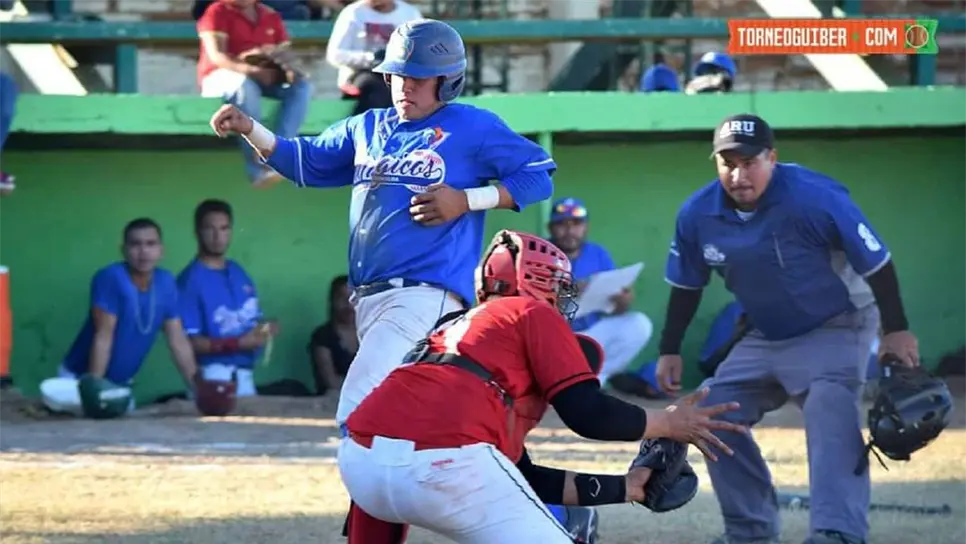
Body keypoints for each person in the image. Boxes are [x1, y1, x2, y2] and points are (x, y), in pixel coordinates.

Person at [209, 18, 556, 540]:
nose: (404, 86)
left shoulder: (473, 127)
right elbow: (304, 162)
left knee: (359, 418)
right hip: (371, 303)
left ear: (449, 81)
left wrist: (468, 199)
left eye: (418, 78)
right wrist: (249, 128)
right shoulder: (368, 126)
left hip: (426, 299)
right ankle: (552, 509)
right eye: (396, 76)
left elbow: (539, 173)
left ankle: (385, 524)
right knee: (413, 432)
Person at [339, 230, 747, 542]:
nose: (564, 301)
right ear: (541, 283)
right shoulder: (531, 310)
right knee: (571, 527)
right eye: (561, 290)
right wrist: (668, 423)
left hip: (359, 465)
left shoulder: (450, 333)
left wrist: (628, 488)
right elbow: (587, 414)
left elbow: (519, 475)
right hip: (445, 465)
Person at [656, 113, 921, 544]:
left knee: (828, 409)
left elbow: (877, 262)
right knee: (710, 413)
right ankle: (750, 531)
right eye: (727, 162)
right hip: (767, 332)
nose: (738, 174)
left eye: (749, 161)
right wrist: (669, 348)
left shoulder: (814, 196)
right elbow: (687, 285)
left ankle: (837, 532)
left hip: (839, 322)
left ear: (772, 158)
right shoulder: (698, 213)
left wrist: (897, 330)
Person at [41, 219, 198, 415]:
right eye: (135, 244)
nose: (143, 251)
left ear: (161, 250)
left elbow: (178, 340)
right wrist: (94, 390)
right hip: (79, 381)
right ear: (123, 250)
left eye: (151, 244)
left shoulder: (166, 283)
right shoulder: (111, 278)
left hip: (120, 387)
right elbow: (103, 336)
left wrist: (197, 389)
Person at [197, 0, 313, 187]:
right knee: (245, 85)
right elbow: (218, 56)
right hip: (219, 76)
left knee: (302, 87)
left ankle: (282, 155)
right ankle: (258, 168)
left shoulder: (270, 14)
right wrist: (252, 71)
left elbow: (285, 53)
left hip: (263, 78)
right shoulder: (217, 11)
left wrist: (290, 70)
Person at [547, 197, 654, 386]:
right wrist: (571, 290)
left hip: (591, 334)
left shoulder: (597, 253)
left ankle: (596, 379)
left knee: (639, 324)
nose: (570, 231)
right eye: (562, 224)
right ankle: (562, 384)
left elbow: (613, 307)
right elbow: (530, 304)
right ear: (551, 228)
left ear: (586, 227)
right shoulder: (542, 253)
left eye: (577, 224)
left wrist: (622, 301)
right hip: (554, 339)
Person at [177, 200, 278, 397]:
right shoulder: (189, 280)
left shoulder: (238, 272)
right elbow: (188, 343)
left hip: (246, 377)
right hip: (211, 377)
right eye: (210, 228)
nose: (217, 236)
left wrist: (265, 329)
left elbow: (249, 322)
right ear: (197, 232)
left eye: (224, 228)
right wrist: (239, 343)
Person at [326, 0, 422, 115]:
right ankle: (366, 128)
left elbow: (420, 49)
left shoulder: (409, 13)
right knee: (378, 87)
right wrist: (371, 58)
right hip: (361, 73)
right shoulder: (353, 13)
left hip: (398, 71)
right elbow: (335, 54)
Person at [307, 275, 358, 395]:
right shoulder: (323, 336)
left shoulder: (369, 334)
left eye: (353, 298)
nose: (348, 304)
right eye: (342, 298)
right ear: (332, 300)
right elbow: (331, 382)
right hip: (330, 403)